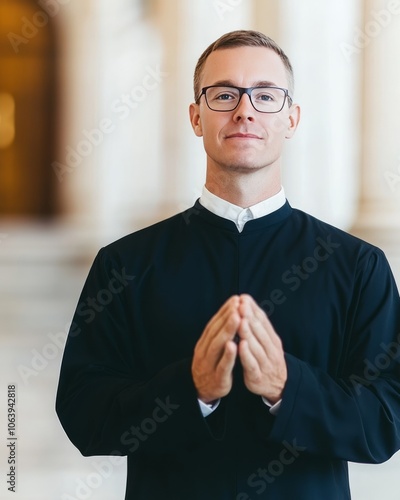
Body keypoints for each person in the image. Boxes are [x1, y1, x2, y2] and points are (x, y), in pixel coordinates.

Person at [56, 30, 400, 499]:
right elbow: (82, 414)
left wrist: (287, 387)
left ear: (291, 119)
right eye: (224, 94)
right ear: (196, 118)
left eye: (265, 95)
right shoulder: (124, 264)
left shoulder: (359, 266)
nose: (245, 110)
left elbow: (386, 422)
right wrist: (190, 389)